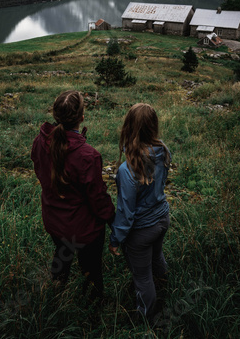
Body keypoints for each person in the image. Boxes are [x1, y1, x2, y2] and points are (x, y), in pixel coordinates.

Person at [31, 90, 115, 300]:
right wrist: (114, 220)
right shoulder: (88, 155)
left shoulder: (40, 142)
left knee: (61, 254)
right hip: (84, 229)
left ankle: (56, 294)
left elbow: (40, 170)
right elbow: (98, 198)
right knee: (91, 269)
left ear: (55, 115)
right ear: (81, 117)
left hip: (54, 221)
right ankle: (92, 310)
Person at [109, 103, 171, 319]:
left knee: (142, 277)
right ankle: (165, 286)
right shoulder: (162, 150)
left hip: (142, 229)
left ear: (128, 127)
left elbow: (126, 213)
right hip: (163, 217)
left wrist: (115, 239)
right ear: (153, 127)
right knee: (157, 256)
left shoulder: (127, 169)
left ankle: (146, 319)